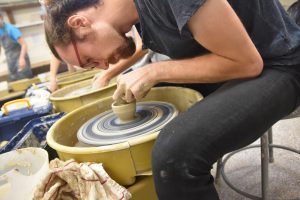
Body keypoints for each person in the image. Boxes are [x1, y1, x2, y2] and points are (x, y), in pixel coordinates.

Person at [42, 0, 300, 199]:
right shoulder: (138, 15)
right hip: (245, 64)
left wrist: (154, 70)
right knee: (148, 100)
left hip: (279, 63)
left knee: (173, 156)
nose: (101, 67)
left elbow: (247, 63)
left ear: (80, 23)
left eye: (89, 61)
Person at [0, 10, 33, 81]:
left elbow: (24, 44)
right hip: (10, 60)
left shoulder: (11, 29)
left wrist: (22, 58)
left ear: (1, 18)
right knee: (14, 80)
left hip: (20, 58)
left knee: (25, 80)